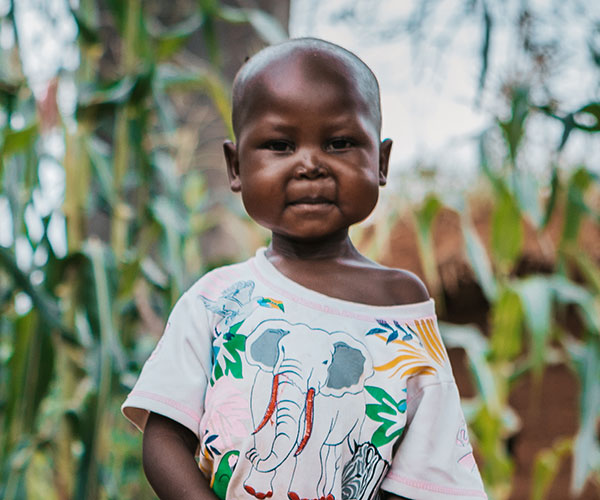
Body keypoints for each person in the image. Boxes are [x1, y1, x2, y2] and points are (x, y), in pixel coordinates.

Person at [122, 37, 487, 500]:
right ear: (236, 167)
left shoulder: (402, 311)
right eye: (280, 144)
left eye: (339, 143)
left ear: (381, 160)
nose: (310, 164)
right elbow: (165, 435)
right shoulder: (217, 300)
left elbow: (426, 474)